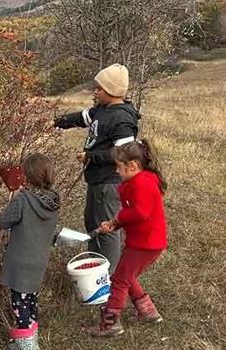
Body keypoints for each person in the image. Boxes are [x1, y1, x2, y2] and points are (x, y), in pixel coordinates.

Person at [54, 63, 140, 273]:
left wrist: (90, 156)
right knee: (92, 222)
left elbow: (123, 153)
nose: (95, 91)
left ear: (111, 91)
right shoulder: (103, 109)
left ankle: (107, 277)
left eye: (99, 88)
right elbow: (83, 117)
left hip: (109, 181)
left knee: (107, 227)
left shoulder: (122, 118)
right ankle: (95, 264)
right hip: (96, 179)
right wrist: (56, 122)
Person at [89, 140, 168, 337]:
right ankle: (148, 311)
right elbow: (132, 212)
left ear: (133, 166)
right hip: (144, 242)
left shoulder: (143, 183)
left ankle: (111, 323)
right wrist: (114, 224)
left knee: (120, 279)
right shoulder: (137, 181)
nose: (116, 171)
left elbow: (140, 212)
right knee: (126, 274)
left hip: (146, 244)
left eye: (119, 167)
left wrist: (118, 219)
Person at [0, 154, 61, 350]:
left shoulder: (23, 200)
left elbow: (3, 221)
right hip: (39, 261)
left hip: (20, 262)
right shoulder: (53, 202)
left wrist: (13, 198)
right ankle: (28, 342)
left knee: (19, 305)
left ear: (26, 175)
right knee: (30, 301)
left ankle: (28, 346)